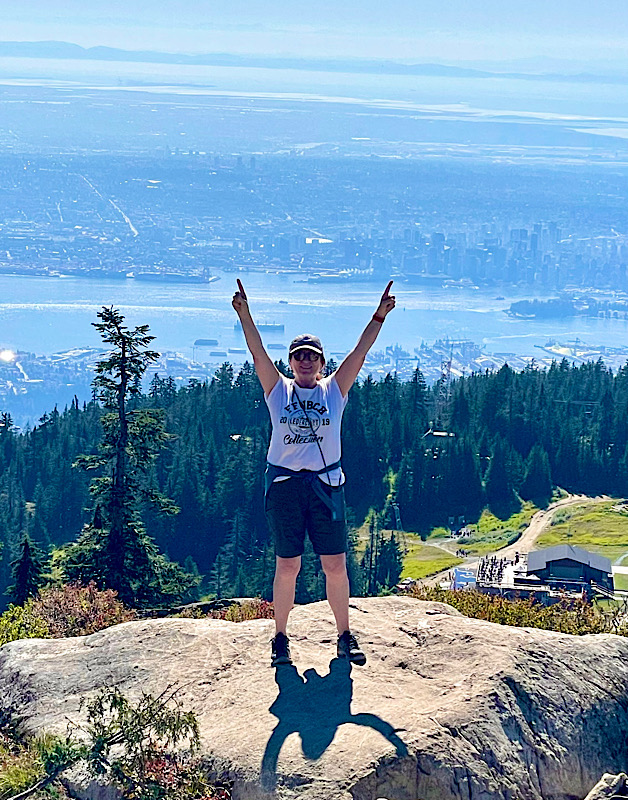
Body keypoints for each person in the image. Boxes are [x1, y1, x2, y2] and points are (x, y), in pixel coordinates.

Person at [232, 278, 396, 667]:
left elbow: (360, 352)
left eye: (313, 357)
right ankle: (281, 639)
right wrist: (244, 314)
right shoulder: (278, 390)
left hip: (326, 486)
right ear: (291, 362)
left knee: (334, 564)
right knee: (287, 565)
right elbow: (257, 354)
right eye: (299, 356)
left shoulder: (334, 391)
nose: (306, 362)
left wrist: (379, 316)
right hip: (287, 486)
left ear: (323, 363)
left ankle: (344, 635)